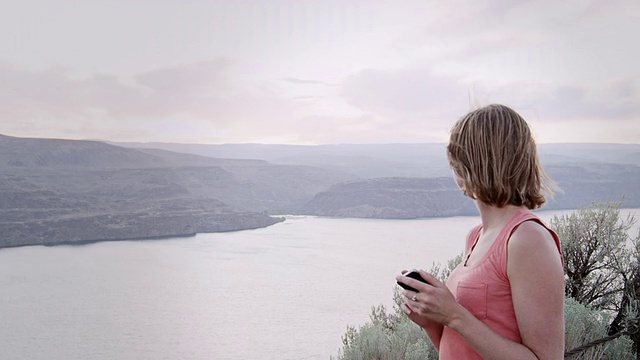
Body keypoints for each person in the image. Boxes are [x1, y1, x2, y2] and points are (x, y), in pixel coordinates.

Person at [396, 104, 565, 359]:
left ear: (473, 164)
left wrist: (454, 315)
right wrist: (432, 321)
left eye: (456, 160)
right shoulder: (476, 236)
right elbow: (460, 348)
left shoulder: (527, 239)